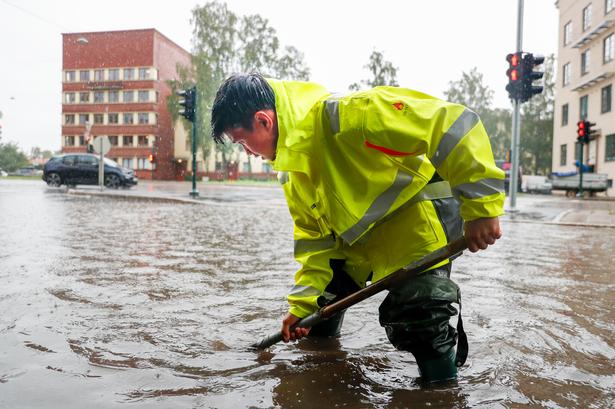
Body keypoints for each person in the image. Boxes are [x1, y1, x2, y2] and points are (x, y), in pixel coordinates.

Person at [210, 73, 504, 384]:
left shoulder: (349, 114)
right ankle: (324, 377)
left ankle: (442, 389)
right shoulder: (290, 173)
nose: (246, 152)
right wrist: (302, 307)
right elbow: (316, 245)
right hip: (356, 249)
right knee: (317, 322)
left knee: (421, 316)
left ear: (264, 121)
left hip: (416, 227)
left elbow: (452, 124)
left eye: (242, 141)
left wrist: (481, 208)